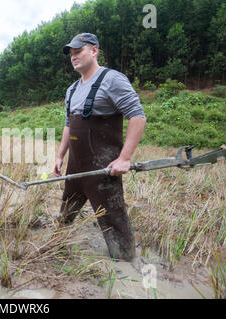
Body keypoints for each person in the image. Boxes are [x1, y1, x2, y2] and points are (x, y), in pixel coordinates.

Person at [54, 33, 146, 261]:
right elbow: (68, 125)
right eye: (71, 54)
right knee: (65, 215)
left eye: (79, 51)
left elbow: (137, 116)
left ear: (94, 51)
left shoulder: (112, 79)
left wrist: (125, 158)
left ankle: (124, 264)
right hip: (75, 167)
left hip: (104, 168)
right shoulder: (72, 90)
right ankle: (57, 247)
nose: (74, 57)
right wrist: (59, 156)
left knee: (115, 226)